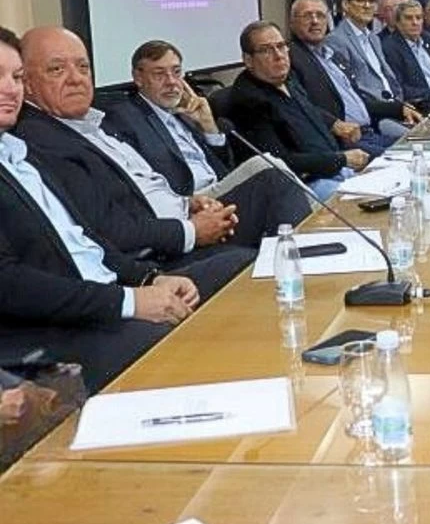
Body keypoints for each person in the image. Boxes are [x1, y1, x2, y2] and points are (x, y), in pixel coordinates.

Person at [0, 27, 242, 392]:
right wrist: (128, 301)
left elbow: (87, 239)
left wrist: (150, 279)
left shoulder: (20, 155)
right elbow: (10, 284)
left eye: (16, 77)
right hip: (47, 328)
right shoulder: (40, 140)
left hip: (107, 292)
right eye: (0, 76)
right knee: (174, 342)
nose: (10, 88)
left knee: (239, 268)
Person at [14, 27, 263, 267]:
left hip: (185, 216)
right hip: (158, 254)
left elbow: (205, 171)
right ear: (27, 83)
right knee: (259, 244)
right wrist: (191, 230)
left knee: (270, 215)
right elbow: (107, 227)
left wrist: (188, 203)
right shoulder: (46, 139)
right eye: (57, 69)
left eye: (83, 67)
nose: (76, 79)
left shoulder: (97, 124)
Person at [102, 42, 317, 236]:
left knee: (274, 181)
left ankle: (312, 228)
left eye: (176, 72)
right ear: (138, 78)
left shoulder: (183, 114)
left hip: (218, 190)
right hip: (191, 203)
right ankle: (316, 223)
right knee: (266, 165)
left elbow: (224, 168)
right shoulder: (126, 117)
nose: (171, 82)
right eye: (159, 74)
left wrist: (209, 127)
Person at [227, 21, 371, 201]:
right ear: (248, 60)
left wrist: (334, 124)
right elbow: (279, 162)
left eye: (281, 46)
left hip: (335, 167)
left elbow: (307, 109)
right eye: (266, 50)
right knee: (365, 203)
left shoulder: (288, 78)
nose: (279, 55)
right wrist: (341, 159)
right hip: (305, 185)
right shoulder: (249, 101)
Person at [285, 0, 417, 156]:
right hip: (342, 142)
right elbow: (298, 104)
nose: (315, 21)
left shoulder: (333, 56)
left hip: (368, 133)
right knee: (407, 158)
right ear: (292, 22)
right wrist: (333, 123)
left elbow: (359, 102)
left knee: (419, 146)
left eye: (320, 15)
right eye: (307, 16)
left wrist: (398, 108)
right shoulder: (291, 57)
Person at [326, 0, 406, 104]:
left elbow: (387, 79)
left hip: (396, 104)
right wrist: (394, 109)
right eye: (361, 0)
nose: (367, 5)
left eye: (372, 1)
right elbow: (350, 91)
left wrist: (401, 104)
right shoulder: (336, 40)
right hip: (373, 110)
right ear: (346, 4)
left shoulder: (374, 38)